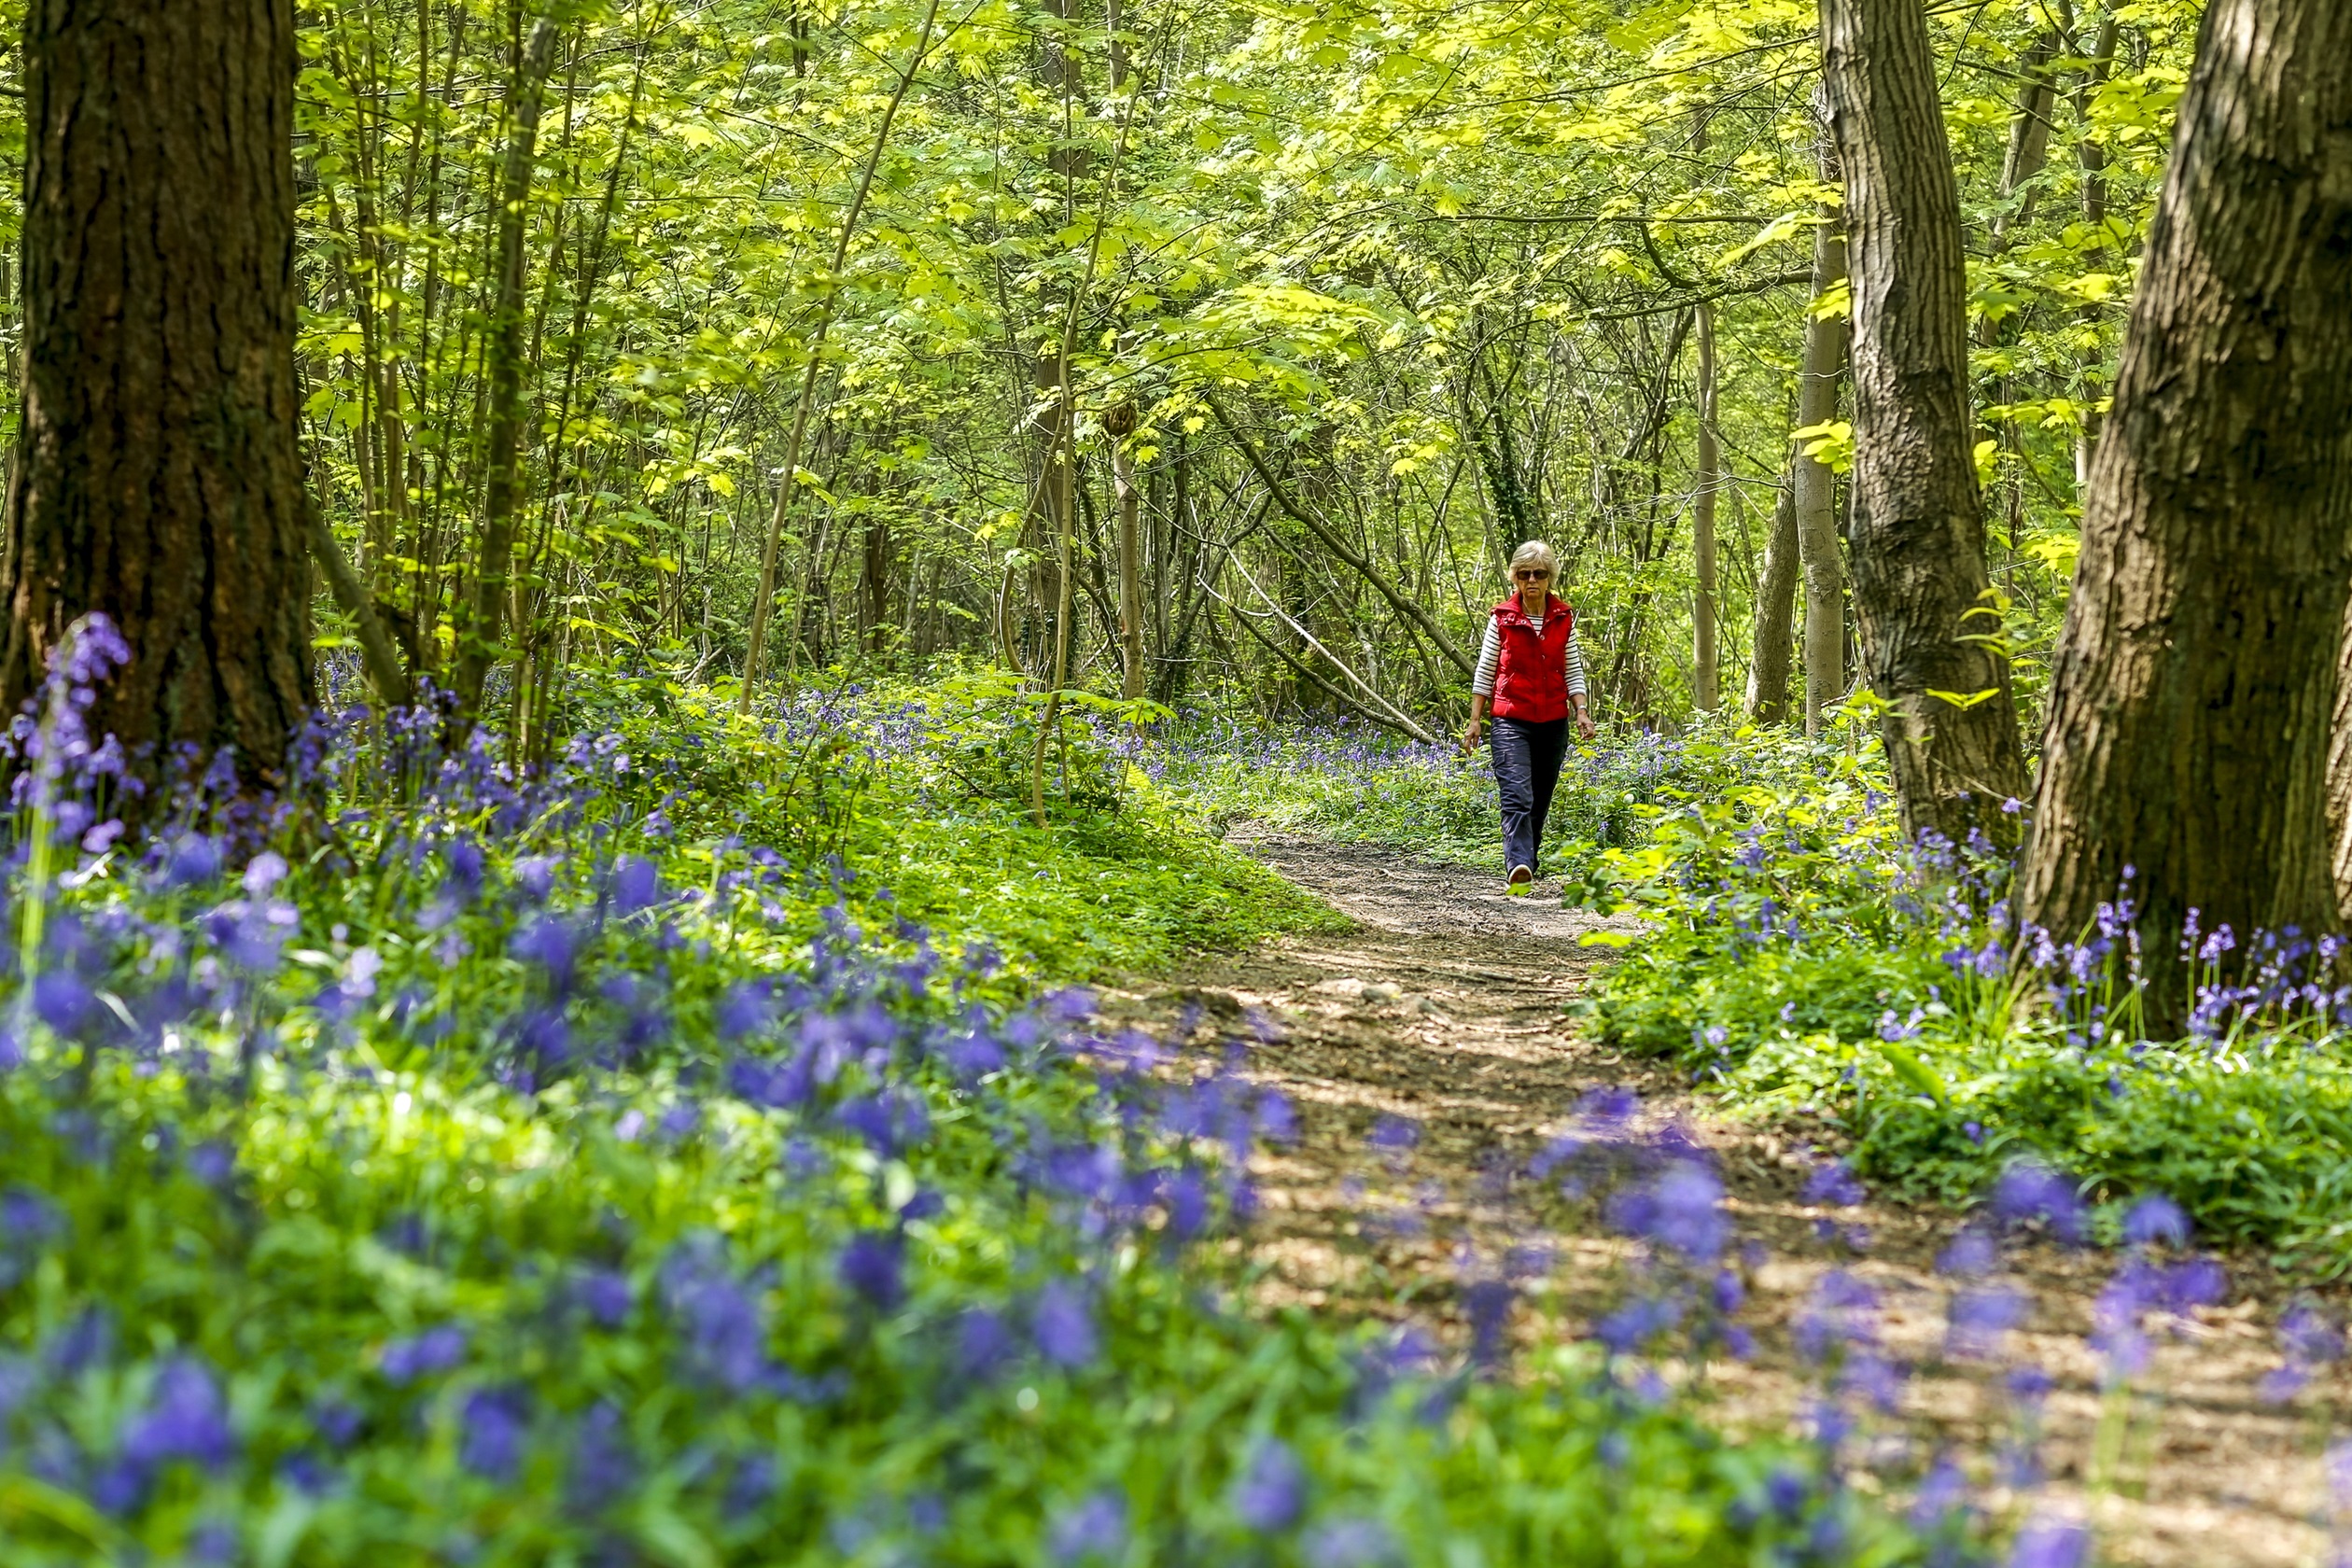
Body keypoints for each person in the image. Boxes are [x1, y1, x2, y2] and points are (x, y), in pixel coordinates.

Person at [1460, 540, 1594, 890]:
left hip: (1552, 721)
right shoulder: (1502, 618)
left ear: (1550, 577)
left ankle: (1526, 861)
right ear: (1515, 578)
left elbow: (1573, 669)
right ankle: (1518, 863)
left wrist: (1581, 711)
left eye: (1539, 574)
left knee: (1540, 796)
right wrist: (1475, 720)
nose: (1531, 580)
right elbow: (1486, 670)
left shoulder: (1563, 618)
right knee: (1517, 794)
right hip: (1510, 719)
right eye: (1524, 574)